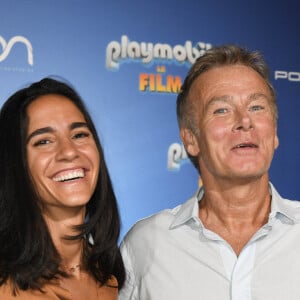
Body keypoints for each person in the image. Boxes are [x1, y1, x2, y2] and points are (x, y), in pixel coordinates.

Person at [119, 45, 300, 300]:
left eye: (257, 107)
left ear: (275, 133)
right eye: (222, 110)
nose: (245, 121)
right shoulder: (146, 244)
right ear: (191, 140)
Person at [0, 77, 125, 299]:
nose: (69, 151)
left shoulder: (111, 278)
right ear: (15, 164)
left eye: (79, 135)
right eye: (44, 141)